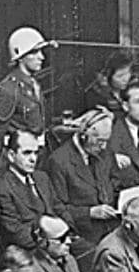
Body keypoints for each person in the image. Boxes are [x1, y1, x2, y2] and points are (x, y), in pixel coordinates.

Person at [47, 107, 119, 257]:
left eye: (106, 141)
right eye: (99, 141)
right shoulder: (59, 161)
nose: (104, 147)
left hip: (112, 228)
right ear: (84, 136)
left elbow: (115, 184)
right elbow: (57, 208)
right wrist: (90, 213)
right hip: (84, 234)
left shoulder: (104, 152)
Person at [0, 26, 51, 174]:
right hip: (16, 161)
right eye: (34, 52)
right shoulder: (9, 89)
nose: (41, 57)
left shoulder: (33, 84)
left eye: (41, 52)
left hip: (37, 155)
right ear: (21, 56)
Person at [0, 129, 67, 250]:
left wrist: (67, 234)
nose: (33, 159)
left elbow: (59, 208)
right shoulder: (1, 187)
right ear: (11, 156)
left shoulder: (42, 178)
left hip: (59, 241)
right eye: (27, 153)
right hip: (30, 251)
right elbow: (15, 232)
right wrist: (49, 245)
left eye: (36, 153)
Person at [84, 50, 137, 115]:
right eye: (120, 76)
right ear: (108, 76)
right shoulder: (95, 96)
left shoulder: (130, 90)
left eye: (128, 73)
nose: (125, 79)